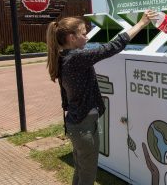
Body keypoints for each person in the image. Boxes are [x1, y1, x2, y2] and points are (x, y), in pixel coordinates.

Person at [46, 10, 156, 185]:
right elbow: (112, 47)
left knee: (81, 170)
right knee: (88, 175)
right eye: (83, 34)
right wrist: (142, 24)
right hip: (83, 127)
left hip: (76, 123)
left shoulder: (63, 57)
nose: (87, 38)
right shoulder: (76, 58)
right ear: (71, 37)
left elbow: (65, 96)